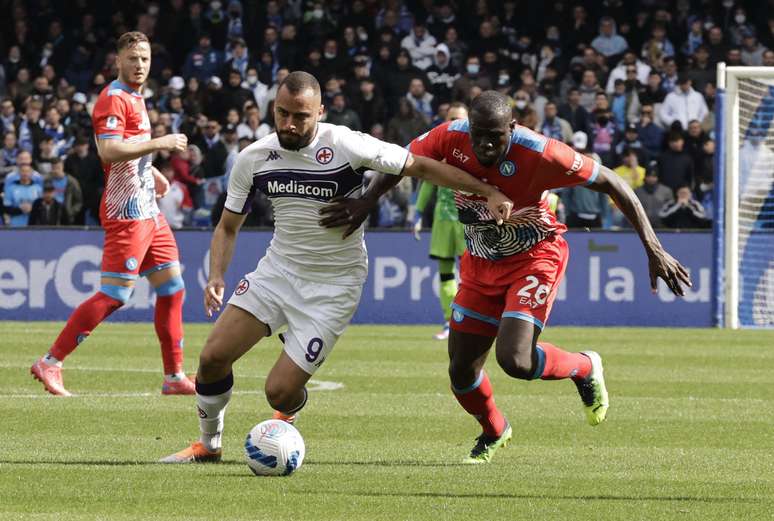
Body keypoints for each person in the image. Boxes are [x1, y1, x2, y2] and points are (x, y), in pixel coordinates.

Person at [160, 71, 513, 463]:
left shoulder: (346, 144)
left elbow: (420, 166)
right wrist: (216, 276)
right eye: (282, 114)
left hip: (334, 284)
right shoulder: (253, 158)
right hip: (278, 272)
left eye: (300, 116)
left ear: (320, 112)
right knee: (211, 358)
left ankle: (291, 405)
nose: (289, 124)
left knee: (278, 392)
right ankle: (209, 446)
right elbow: (227, 226)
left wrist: (488, 191)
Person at [327, 91, 691, 463]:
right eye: (478, 134)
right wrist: (368, 201)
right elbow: (402, 161)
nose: (485, 144)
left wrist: (653, 246)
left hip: (535, 257)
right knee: (461, 371)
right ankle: (494, 429)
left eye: (495, 136)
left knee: (515, 360)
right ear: (468, 127)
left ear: (513, 129)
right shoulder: (448, 137)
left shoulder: (542, 153)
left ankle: (584, 366)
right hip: (482, 263)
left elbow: (613, 181)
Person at [30, 32, 194, 397]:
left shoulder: (136, 97)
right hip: (127, 210)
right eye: (133, 58)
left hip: (148, 207)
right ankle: (51, 361)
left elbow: (129, 150)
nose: (140, 65)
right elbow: (108, 151)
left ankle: (174, 377)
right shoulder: (113, 98)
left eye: (145, 59)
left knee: (172, 288)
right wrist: (162, 143)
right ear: (118, 60)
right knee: (116, 294)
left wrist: (152, 172)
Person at [412, 102, 469, 340]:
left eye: (459, 119)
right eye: (451, 118)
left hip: (469, 221)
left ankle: (472, 322)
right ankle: (450, 322)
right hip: (443, 220)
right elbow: (426, 181)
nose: (454, 123)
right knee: (446, 274)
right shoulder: (439, 148)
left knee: (471, 277)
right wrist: (417, 214)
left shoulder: (474, 149)